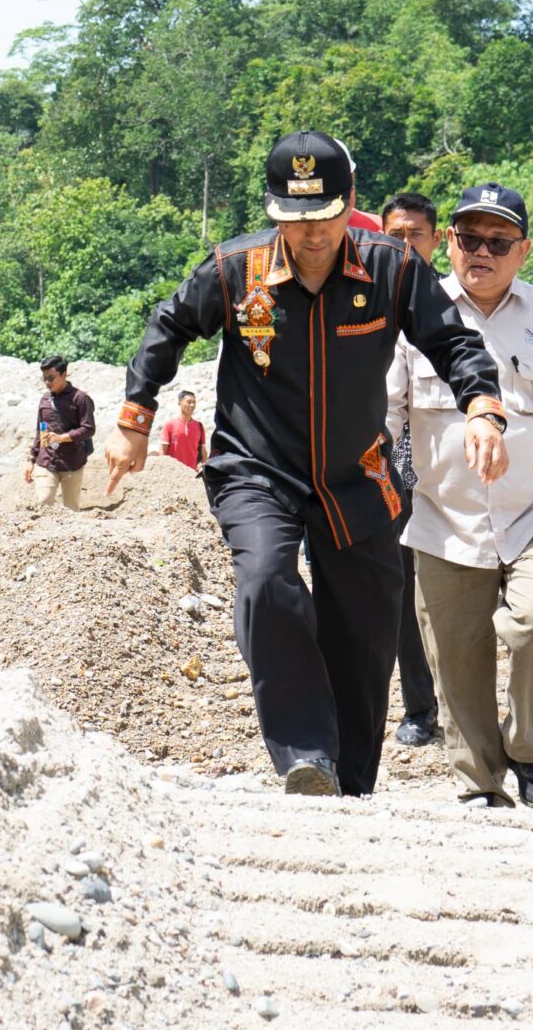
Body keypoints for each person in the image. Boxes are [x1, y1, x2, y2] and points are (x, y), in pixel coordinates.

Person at [104, 131, 508, 798]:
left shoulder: (391, 268)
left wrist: (483, 407)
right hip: (256, 467)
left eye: (323, 218)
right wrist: (133, 419)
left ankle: (347, 786)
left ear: (348, 204)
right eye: (293, 221)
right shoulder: (235, 271)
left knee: (366, 631)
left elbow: (451, 338)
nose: (311, 235)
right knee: (266, 583)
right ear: (271, 214)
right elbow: (168, 326)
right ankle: (304, 753)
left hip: (358, 473)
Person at [387, 183, 533, 809]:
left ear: (523, 251)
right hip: (443, 516)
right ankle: (480, 783)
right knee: (456, 660)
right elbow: (381, 416)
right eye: (469, 239)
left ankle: (529, 750)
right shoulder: (413, 314)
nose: (481, 252)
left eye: (498, 242)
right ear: (449, 244)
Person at [377, 190, 446, 748]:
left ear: (436, 239)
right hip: (395, 478)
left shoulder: (455, 301)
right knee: (401, 599)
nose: (403, 246)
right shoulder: (365, 304)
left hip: (462, 477)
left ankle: (477, 706)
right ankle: (420, 707)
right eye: (392, 235)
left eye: (413, 235)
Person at [25, 357, 97, 506]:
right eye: (44, 379)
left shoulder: (80, 399)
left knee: (71, 508)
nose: (47, 383)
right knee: (43, 502)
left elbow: (88, 429)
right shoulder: (44, 400)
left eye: (51, 378)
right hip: (46, 461)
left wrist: (62, 438)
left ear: (64, 374)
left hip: (72, 463)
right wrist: (31, 459)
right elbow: (40, 431)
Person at [158, 391, 207, 472]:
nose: (192, 405)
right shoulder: (170, 424)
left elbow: (203, 450)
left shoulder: (199, 426)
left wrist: (204, 466)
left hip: (192, 473)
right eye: (189, 402)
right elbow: (163, 449)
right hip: (173, 472)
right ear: (179, 403)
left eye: (194, 402)